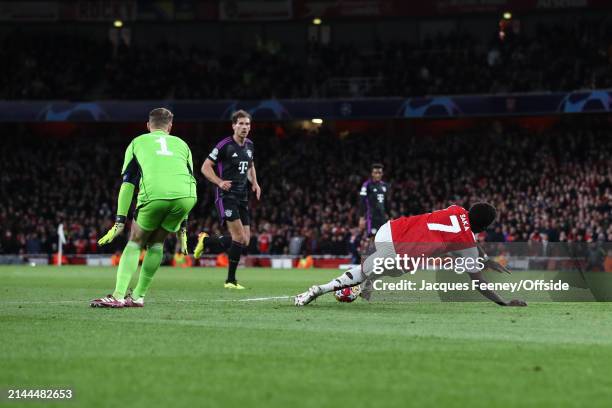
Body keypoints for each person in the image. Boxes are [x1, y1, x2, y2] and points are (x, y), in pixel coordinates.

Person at [295, 203, 527, 307]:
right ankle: (320, 289)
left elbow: (469, 237)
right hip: (402, 251)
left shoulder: (456, 209)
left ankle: (365, 282)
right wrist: (504, 303)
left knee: (386, 268)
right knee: (385, 269)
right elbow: (479, 282)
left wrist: (484, 258)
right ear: (484, 228)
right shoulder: (465, 244)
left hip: (391, 229)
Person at [91, 108, 197, 308]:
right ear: (170, 127)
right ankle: (138, 295)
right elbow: (188, 180)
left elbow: (128, 183)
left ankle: (118, 295)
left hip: (155, 194)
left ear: (148, 126)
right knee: (157, 243)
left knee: (136, 241)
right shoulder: (183, 145)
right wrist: (184, 226)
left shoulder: (137, 142)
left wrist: (120, 221)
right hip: (187, 198)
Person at [193, 110, 261, 289]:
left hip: (242, 197)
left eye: (247, 124)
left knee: (245, 240)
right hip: (226, 196)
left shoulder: (250, 146)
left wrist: (255, 183)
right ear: (234, 126)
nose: (245, 127)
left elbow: (250, 166)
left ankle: (206, 241)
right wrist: (219, 181)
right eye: (241, 124)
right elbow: (205, 167)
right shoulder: (224, 145)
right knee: (238, 236)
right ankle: (231, 280)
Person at [359, 163, 390, 241]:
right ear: (372, 174)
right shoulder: (366, 185)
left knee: (383, 239)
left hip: (382, 218)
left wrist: (389, 216)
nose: (377, 175)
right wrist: (361, 217)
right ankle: (370, 253)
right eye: (375, 173)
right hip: (371, 217)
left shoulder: (385, 186)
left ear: (382, 174)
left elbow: (386, 202)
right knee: (372, 238)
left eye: (379, 173)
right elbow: (362, 201)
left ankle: (381, 253)